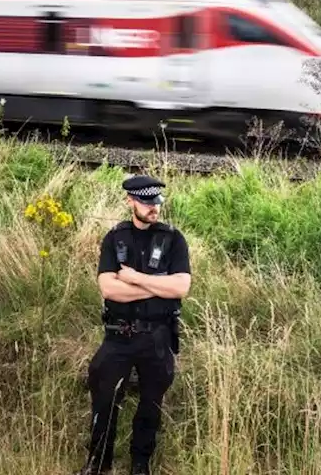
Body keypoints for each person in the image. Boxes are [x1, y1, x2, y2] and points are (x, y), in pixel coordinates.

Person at [78, 175, 192, 475]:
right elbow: (108, 289)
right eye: (146, 202)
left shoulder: (173, 239)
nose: (154, 208)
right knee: (104, 399)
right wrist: (158, 286)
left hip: (158, 336)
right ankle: (98, 465)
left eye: (157, 202)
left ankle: (140, 466)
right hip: (119, 335)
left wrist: (136, 279)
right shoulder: (115, 238)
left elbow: (181, 286)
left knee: (150, 404)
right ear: (130, 201)